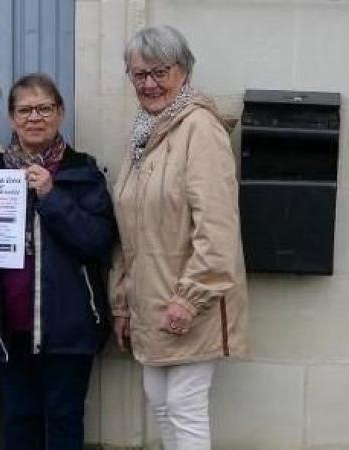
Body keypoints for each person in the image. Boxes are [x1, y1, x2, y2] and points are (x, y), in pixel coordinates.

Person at [110, 25, 249, 450]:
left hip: (193, 301)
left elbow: (217, 229)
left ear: (184, 71)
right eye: (139, 74)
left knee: (184, 406)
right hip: (150, 300)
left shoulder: (200, 129)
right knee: (160, 401)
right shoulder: (143, 135)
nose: (149, 84)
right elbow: (129, 228)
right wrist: (123, 302)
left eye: (160, 72)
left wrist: (189, 298)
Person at [0, 73, 116, 450]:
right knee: (18, 423)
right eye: (25, 110)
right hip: (9, 327)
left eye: (44, 108)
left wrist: (51, 195)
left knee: (65, 421)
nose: (35, 117)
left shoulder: (83, 170)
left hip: (68, 329)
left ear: (60, 113)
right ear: (12, 118)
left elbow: (97, 242)